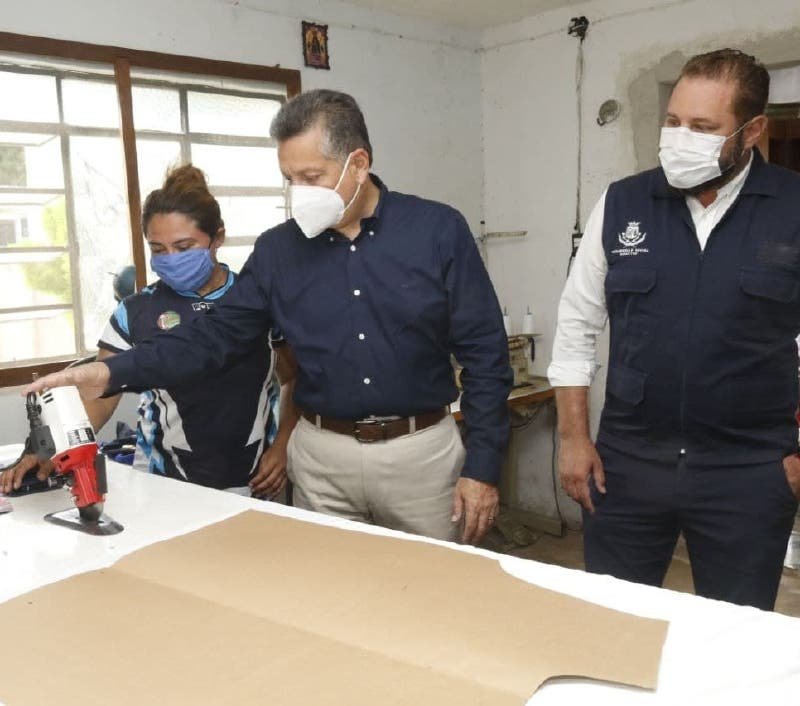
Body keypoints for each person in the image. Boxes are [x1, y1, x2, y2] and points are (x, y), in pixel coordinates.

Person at [25, 90, 512, 545]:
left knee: (434, 589)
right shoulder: (280, 250)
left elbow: (486, 356)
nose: (299, 192)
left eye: (312, 177)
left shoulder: (436, 231)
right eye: (289, 179)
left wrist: (483, 467)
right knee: (324, 590)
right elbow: (213, 336)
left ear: (359, 163)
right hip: (322, 458)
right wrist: (110, 372)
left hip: (420, 453)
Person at [548, 49, 800, 610]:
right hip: (628, 463)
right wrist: (573, 439)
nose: (680, 138)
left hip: (747, 469)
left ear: (753, 130)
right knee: (615, 617)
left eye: (703, 128)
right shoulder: (623, 203)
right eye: (673, 121)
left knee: (733, 628)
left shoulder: (792, 207)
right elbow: (576, 325)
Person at [3, 165, 292, 500]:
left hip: (252, 479)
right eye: (158, 249)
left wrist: (283, 445)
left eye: (184, 247)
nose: (171, 259)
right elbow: (100, 396)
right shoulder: (136, 311)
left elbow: (294, 377)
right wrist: (50, 449)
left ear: (218, 238)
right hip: (162, 480)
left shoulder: (255, 301)